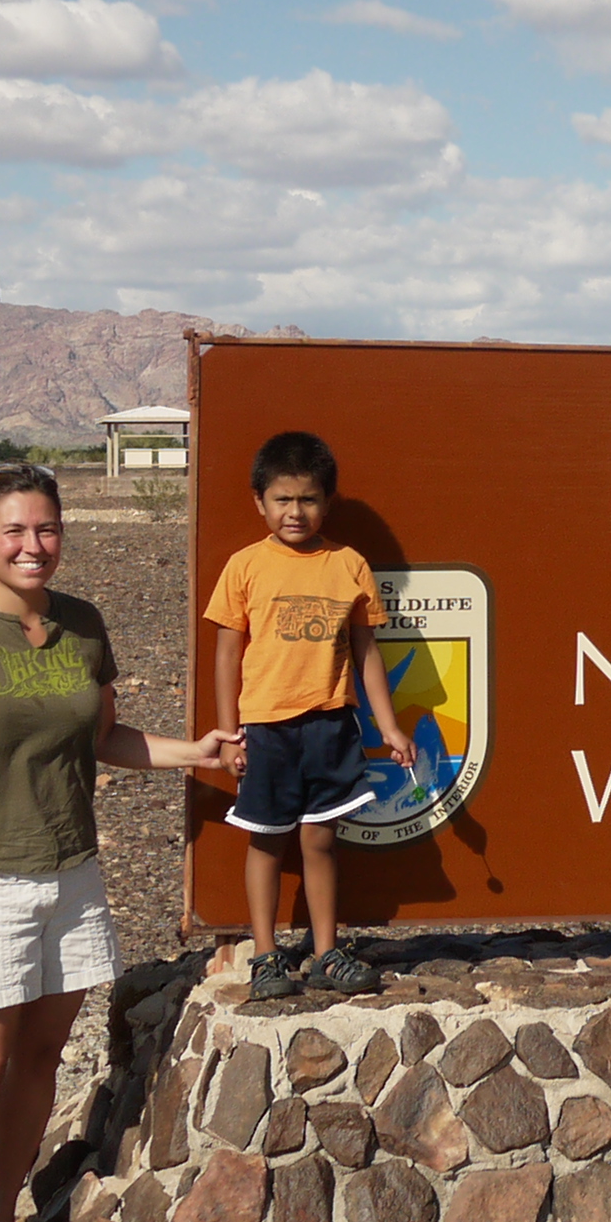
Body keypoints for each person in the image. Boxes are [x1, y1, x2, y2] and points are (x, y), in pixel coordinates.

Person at [0, 463, 238, 1222]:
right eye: (12, 530)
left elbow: (104, 737)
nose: (31, 545)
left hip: (72, 872)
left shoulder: (82, 626)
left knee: (41, 1060)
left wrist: (193, 752)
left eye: (45, 529)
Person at [203, 427, 413, 1000]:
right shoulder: (245, 566)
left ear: (328, 501)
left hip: (331, 724)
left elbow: (368, 651)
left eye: (308, 499)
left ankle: (326, 952)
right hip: (267, 728)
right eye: (282, 499)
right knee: (267, 840)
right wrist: (227, 734)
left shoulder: (348, 565)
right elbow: (227, 650)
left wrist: (389, 725)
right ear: (260, 502)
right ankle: (267, 956)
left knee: (321, 841)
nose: (295, 512)